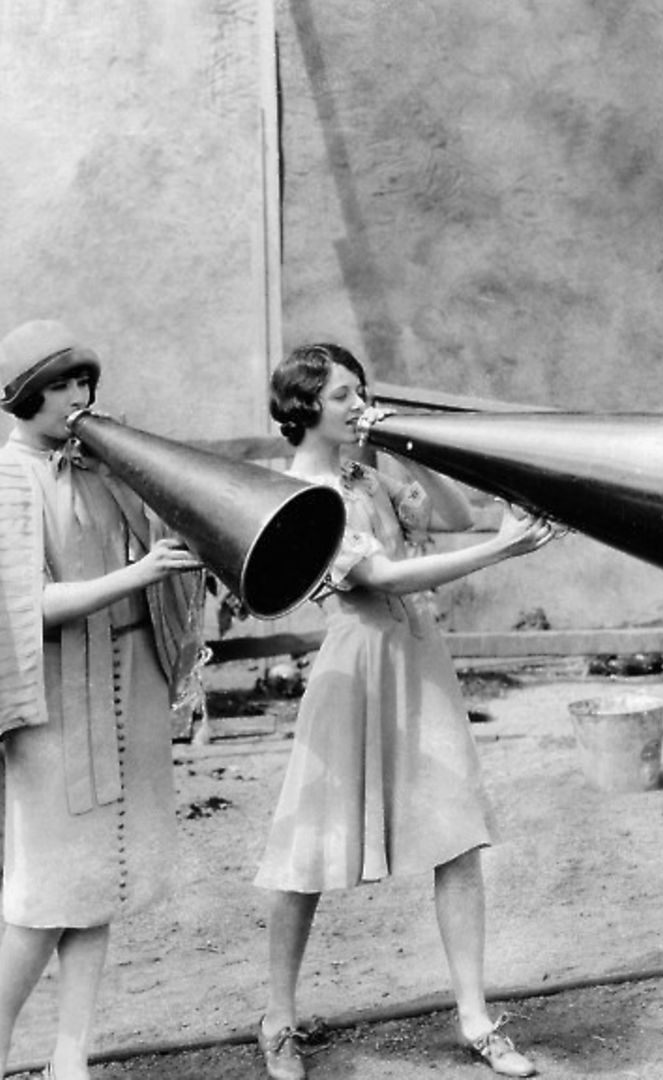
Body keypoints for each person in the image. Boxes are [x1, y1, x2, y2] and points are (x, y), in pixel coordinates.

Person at [253, 343, 556, 1080]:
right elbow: (380, 575)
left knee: (457, 842)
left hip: (418, 660)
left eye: (363, 393)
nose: (358, 407)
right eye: (343, 398)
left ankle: (476, 1018)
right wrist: (500, 551)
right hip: (356, 669)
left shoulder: (366, 475)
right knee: (309, 859)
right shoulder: (299, 497)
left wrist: (407, 444)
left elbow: (449, 513)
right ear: (304, 410)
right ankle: (279, 1019)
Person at [0, 319, 207, 1080]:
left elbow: (164, 553)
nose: (79, 398)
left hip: (128, 682)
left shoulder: (100, 467)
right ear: (25, 396)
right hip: (51, 699)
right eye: (61, 385)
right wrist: (141, 575)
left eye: (85, 382)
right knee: (46, 889)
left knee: (101, 879)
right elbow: (24, 607)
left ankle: (71, 1053)